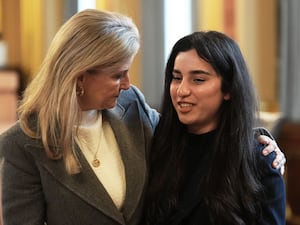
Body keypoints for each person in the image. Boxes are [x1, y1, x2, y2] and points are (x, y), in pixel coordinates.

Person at [0, 10, 284, 225]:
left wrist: (257, 141)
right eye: (117, 74)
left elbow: (207, 132)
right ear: (80, 73)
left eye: (198, 79)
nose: (127, 84)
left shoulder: (130, 105)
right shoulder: (22, 144)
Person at [142, 31, 286, 225]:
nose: (182, 91)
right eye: (177, 78)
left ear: (228, 89)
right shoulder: (157, 144)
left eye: (198, 80)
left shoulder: (258, 158)